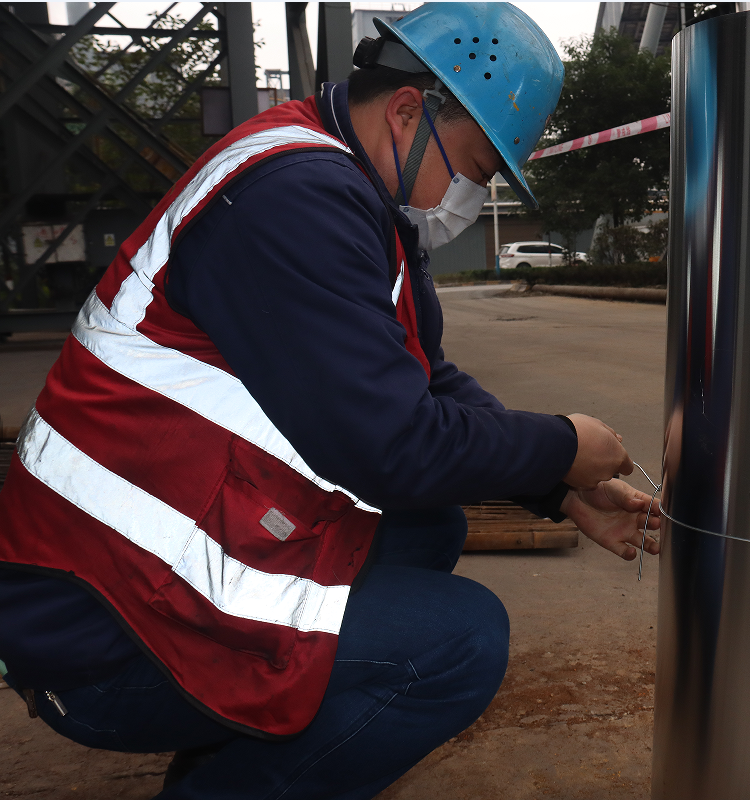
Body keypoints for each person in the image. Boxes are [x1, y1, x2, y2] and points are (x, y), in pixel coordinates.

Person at [0, 4, 661, 797]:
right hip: (95, 621)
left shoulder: (341, 183)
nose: (469, 197)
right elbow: (391, 446)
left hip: (149, 553)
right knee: (457, 644)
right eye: (478, 169)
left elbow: (424, 378)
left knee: (424, 524)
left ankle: (230, 753)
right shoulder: (296, 196)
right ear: (411, 112)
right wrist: (561, 442)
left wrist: (560, 487)